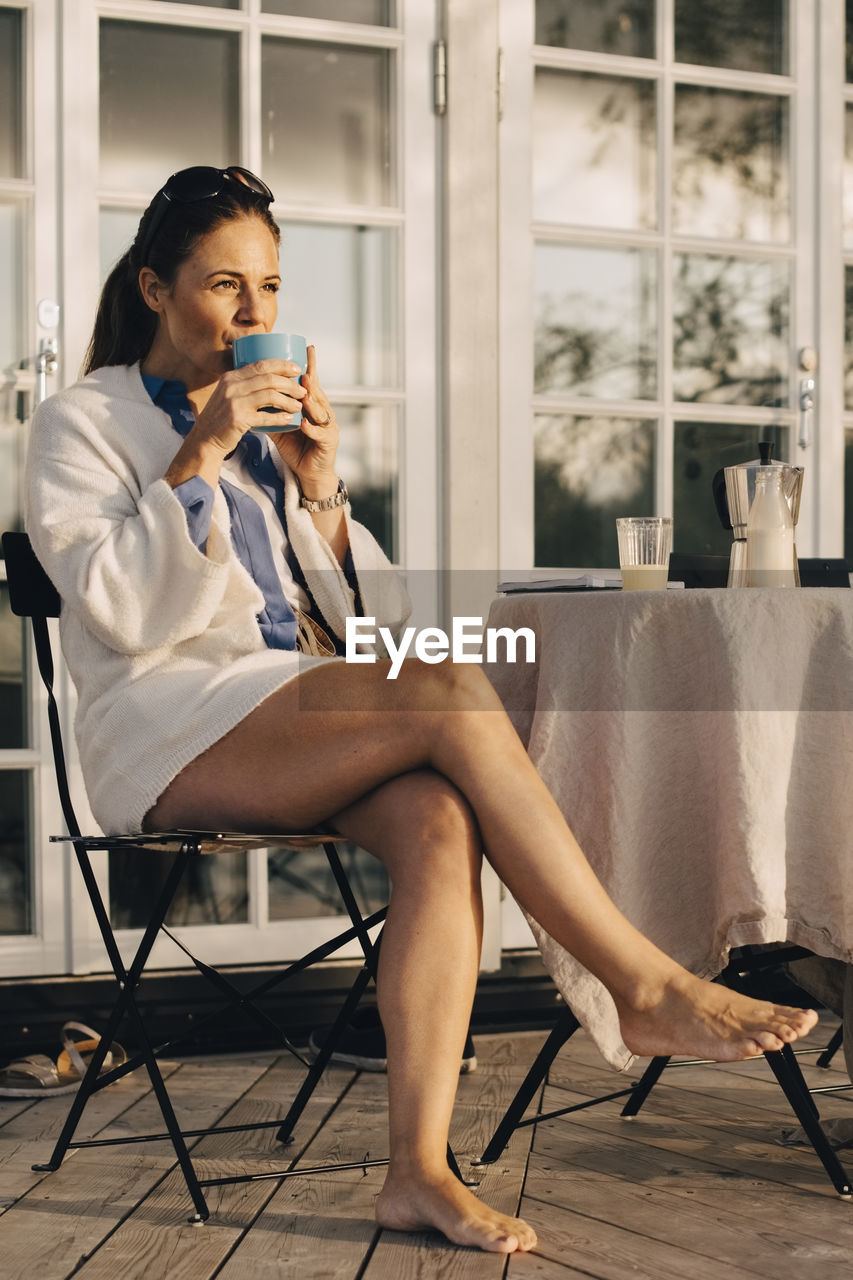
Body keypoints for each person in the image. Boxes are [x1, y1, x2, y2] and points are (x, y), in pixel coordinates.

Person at [25, 165, 818, 1255]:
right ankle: (638, 978)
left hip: (291, 703)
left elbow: (364, 630)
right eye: (223, 285)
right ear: (155, 288)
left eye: (268, 286)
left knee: (441, 818)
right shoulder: (83, 423)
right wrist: (198, 454)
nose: (254, 314)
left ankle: (417, 1170)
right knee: (450, 681)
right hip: (170, 721)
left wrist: (320, 491)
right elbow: (120, 610)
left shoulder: (270, 437)